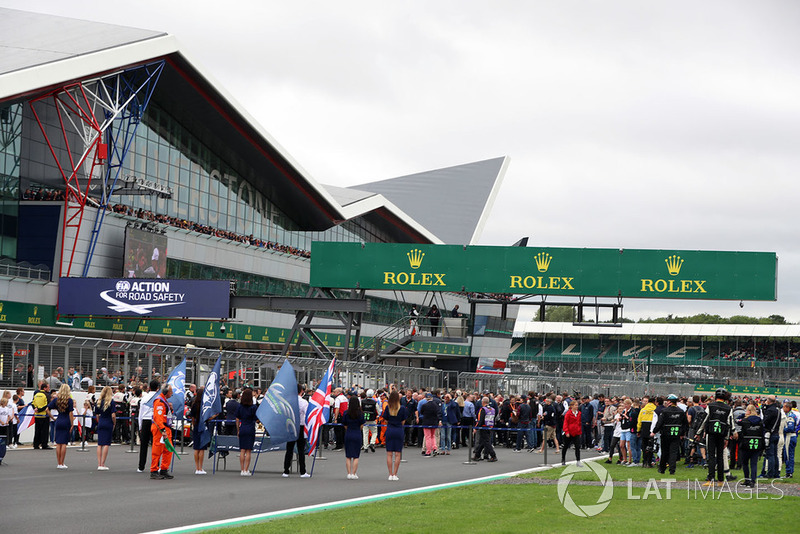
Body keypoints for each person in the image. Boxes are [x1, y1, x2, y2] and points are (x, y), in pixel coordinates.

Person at [699, 388, 734, 487]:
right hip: (722, 435)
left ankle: (710, 479)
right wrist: (727, 438)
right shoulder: (728, 408)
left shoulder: (710, 406)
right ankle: (720, 480)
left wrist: (698, 433)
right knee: (720, 457)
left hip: (711, 434)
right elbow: (729, 424)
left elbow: (705, 419)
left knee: (711, 456)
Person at [651, 394, 687, 475]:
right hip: (676, 434)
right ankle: (672, 470)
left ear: (670, 402)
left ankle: (662, 469)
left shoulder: (665, 411)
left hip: (665, 434)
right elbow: (685, 424)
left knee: (665, 452)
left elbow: (659, 423)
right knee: (673, 452)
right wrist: (682, 433)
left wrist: (654, 431)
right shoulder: (681, 412)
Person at [283, 384, 310, 478]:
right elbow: (307, 414)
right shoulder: (303, 402)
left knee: (289, 449)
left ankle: (286, 470)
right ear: (301, 391)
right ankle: (303, 471)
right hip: (300, 426)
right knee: (301, 449)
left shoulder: (288, 401)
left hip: (290, 425)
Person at [150, 384, 175, 480]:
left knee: (168, 450)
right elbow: (158, 417)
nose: (171, 394)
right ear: (166, 392)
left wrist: (171, 409)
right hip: (160, 429)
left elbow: (165, 415)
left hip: (166, 428)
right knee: (157, 450)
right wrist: (163, 430)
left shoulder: (164, 401)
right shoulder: (159, 401)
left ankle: (164, 469)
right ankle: (154, 470)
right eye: (170, 392)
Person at [381, 390, 407, 480]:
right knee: (397, 454)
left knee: (389, 454)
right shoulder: (402, 408)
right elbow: (403, 421)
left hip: (390, 429)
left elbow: (385, 419)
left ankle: (390, 474)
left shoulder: (388, 408)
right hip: (398, 430)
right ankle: (395, 474)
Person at [48, 384, 74, 469]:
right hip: (66, 420)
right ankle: (62, 462)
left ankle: (59, 463)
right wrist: (72, 423)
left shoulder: (56, 400)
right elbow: (70, 413)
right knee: (64, 443)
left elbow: (47, 409)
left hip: (59, 419)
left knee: (58, 442)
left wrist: (52, 417)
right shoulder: (70, 401)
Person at [739, 404, 765, 487]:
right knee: (754, 463)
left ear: (749, 411)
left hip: (746, 443)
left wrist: (743, 415)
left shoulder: (745, 421)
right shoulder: (760, 421)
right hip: (757, 443)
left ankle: (747, 479)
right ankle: (753, 480)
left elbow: (737, 420)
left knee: (745, 463)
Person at [236, 388, 258, 476]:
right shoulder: (253, 407)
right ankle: (246, 469)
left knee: (242, 450)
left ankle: (242, 469)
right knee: (248, 450)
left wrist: (238, 430)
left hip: (243, 427)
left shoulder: (240, 407)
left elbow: (237, 419)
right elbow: (256, 419)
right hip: (250, 428)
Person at [342, 395, 365, 479]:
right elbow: (362, 425)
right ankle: (354, 473)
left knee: (348, 456)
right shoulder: (360, 413)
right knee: (356, 456)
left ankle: (348, 473)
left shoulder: (346, 413)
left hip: (348, 433)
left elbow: (344, 424)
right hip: (357, 433)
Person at [94, 386, 116, 470]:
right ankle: (102, 463)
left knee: (100, 443)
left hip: (101, 421)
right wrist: (114, 423)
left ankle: (99, 463)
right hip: (108, 422)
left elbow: (96, 414)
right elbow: (113, 415)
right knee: (106, 443)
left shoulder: (98, 401)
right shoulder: (111, 402)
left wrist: (99, 421)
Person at [138, 380, 157, 473]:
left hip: (145, 420)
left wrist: (140, 426)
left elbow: (140, 413)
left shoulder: (144, 398)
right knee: (156, 444)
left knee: (143, 445)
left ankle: (141, 466)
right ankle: (156, 465)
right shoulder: (158, 397)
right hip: (155, 421)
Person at [188, 387, 208, 475]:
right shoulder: (204, 405)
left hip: (196, 425)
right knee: (202, 448)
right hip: (203, 426)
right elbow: (207, 417)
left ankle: (197, 468)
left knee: (196, 448)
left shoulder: (194, 404)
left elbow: (192, 416)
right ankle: (200, 467)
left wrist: (193, 424)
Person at [472, 397, 497, 462]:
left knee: (486, 442)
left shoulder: (483, 409)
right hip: (490, 426)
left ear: (482, 402)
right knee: (482, 441)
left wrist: (476, 428)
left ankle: (493, 455)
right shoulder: (492, 409)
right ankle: (477, 455)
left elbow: (480, 420)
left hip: (483, 427)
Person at [419, 392, 441, 457]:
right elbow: (438, 412)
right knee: (433, 436)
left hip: (426, 422)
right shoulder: (435, 405)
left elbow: (422, 412)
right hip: (434, 422)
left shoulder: (424, 405)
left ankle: (428, 451)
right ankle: (434, 448)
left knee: (427, 437)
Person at [562, 400, 582, 466]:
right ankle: (563, 459)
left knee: (577, 447)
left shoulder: (579, 413)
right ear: (572, 406)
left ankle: (578, 461)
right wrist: (566, 431)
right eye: (575, 405)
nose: (577, 406)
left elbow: (579, 422)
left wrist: (579, 431)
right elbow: (565, 423)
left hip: (576, 432)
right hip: (569, 432)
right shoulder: (568, 413)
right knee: (565, 446)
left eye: (577, 405)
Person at [32, 382, 51, 450]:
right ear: (45, 388)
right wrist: (40, 410)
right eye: (48, 387)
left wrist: (35, 409)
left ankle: (36, 444)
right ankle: (44, 444)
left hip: (37, 416)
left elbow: (32, 403)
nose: (49, 389)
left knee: (37, 430)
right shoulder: (47, 395)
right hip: (44, 415)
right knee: (45, 431)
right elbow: (47, 405)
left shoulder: (36, 394)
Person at [781, 399, 798, 478]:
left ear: (787, 407)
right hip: (791, 436)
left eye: (784, 407)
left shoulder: (790, 416)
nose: (783, 409)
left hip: (789, 436)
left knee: (788, 455)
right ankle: (790, 472)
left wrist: (781, 430)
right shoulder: (791, 414)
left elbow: (790, 428)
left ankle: (789, 472)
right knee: (789, 454)